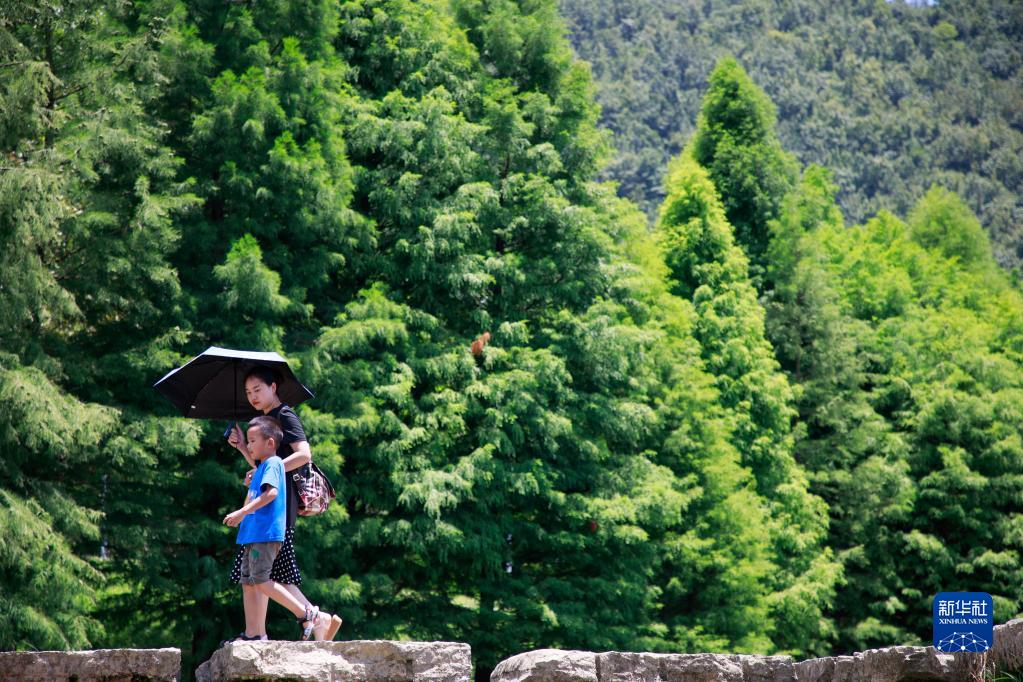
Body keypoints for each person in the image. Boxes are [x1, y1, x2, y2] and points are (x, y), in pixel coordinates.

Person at [226, 366, 341, 640]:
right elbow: (263, 465)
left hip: (278, 505)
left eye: (257, 389)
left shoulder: (285, 415)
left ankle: (303, 619)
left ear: (273, 387)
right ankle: (269, 630)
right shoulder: (264, 421)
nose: (253, 396)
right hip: (267, 504)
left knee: (264, 574)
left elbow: (304, 454)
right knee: (270, 575)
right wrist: (242, 446)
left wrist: (271, 469)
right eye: (248, 392)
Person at [222, 416, 318, 643]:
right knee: (248, 582)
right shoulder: (262, 468)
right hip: (252, 534)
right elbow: (254, 496)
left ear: (270, 443)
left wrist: (241, 512)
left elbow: (271, 494)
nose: (250, 445)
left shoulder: (274, 463)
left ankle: (305, 613)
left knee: (261, 579)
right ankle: (254, 634)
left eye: (253, 440)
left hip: (265, 534)